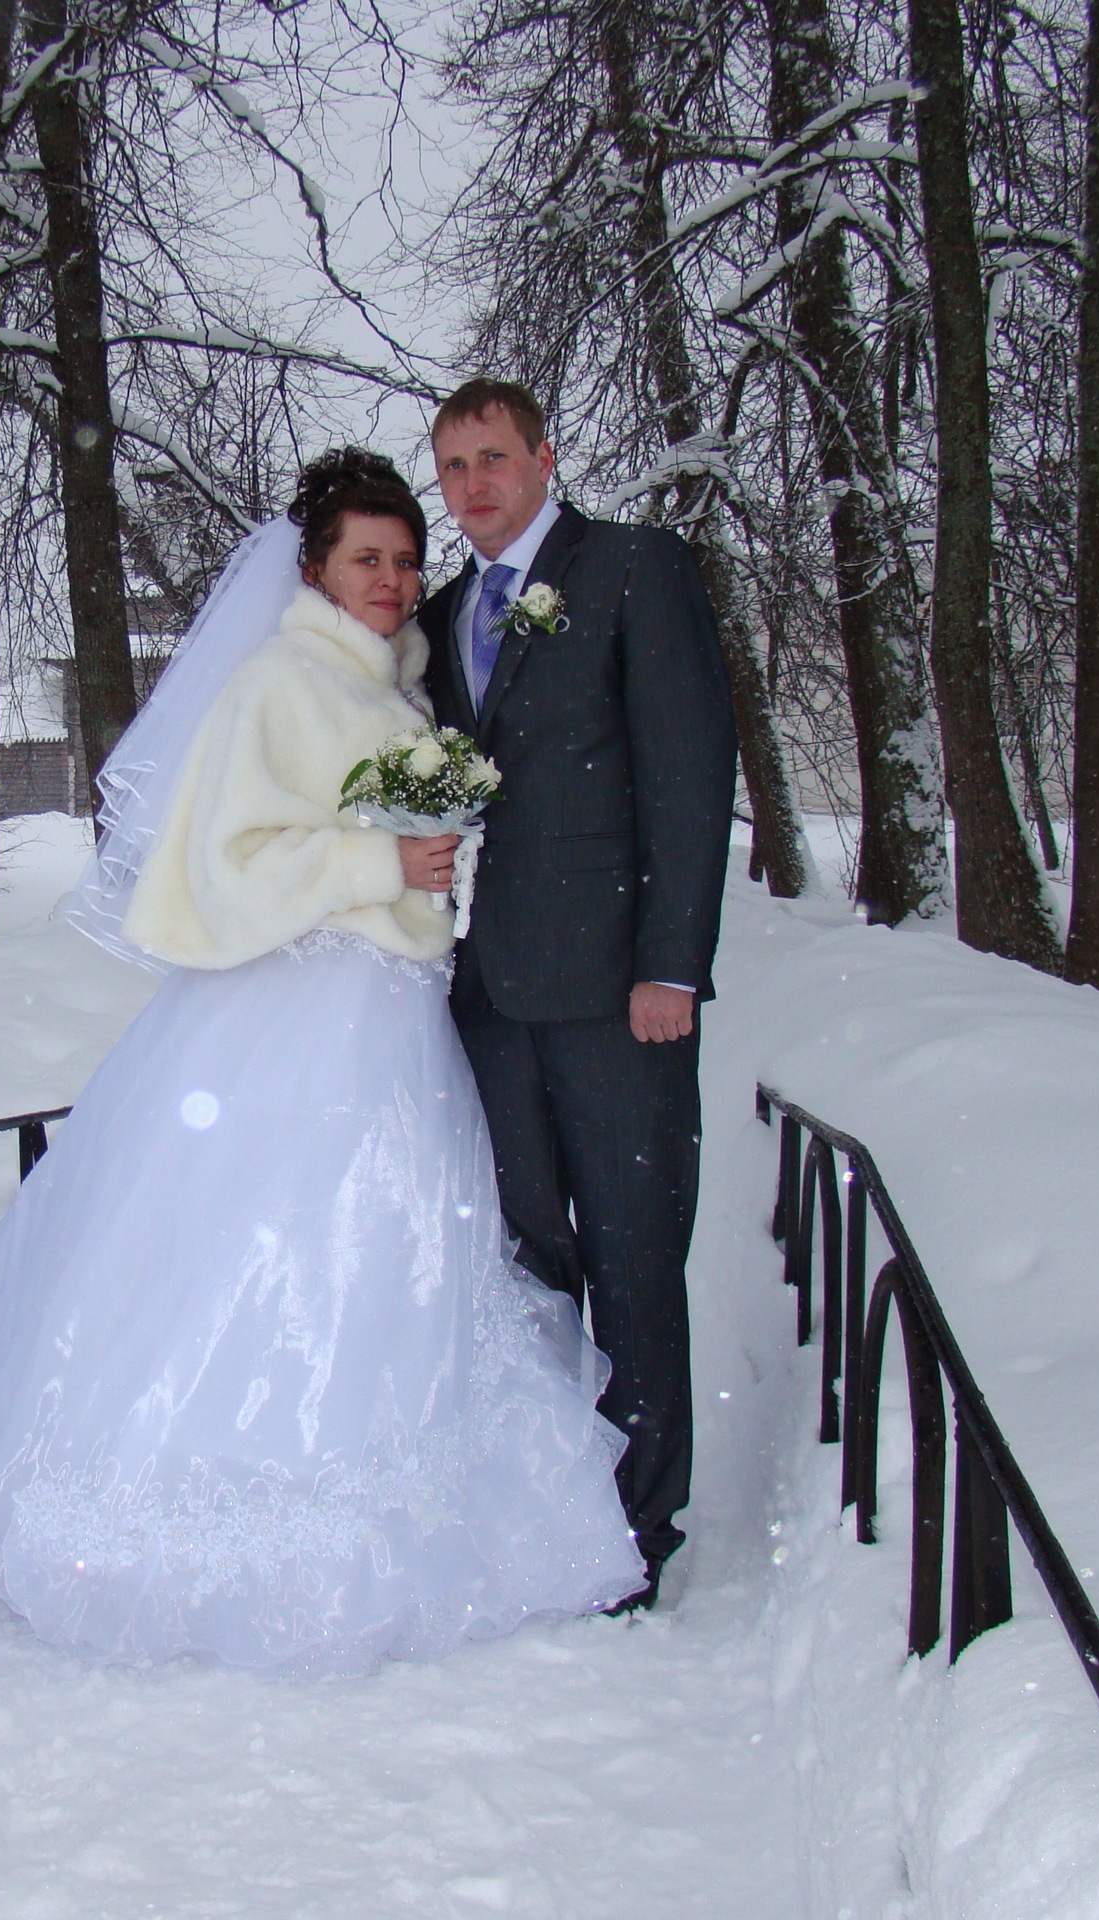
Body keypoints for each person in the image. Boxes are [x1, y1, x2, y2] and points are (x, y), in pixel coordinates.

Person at [0, 449, 646, 1674]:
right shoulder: (278, 682)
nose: (391, 580)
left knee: (397, 1254)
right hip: (297, 1017)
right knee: (273, 1253)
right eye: (366, 559)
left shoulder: (399, 688)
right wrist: (374, 864)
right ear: (313, 570)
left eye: (404, 560)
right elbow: (219, 868)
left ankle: (400, 1506)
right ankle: (216, 1524)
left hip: (396, 1019)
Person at [418, 380, 738, 1612]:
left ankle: (642, 1535)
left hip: (618, 994)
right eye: (454, 465)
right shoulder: (445, 615)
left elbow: (688, 770)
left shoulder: (632, 570)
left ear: (545, 459)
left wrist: (672, 964)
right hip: (490, 997)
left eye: (494, 457)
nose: (474, 485)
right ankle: (554, 1511)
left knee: (633, 1258)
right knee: (528, 1266)